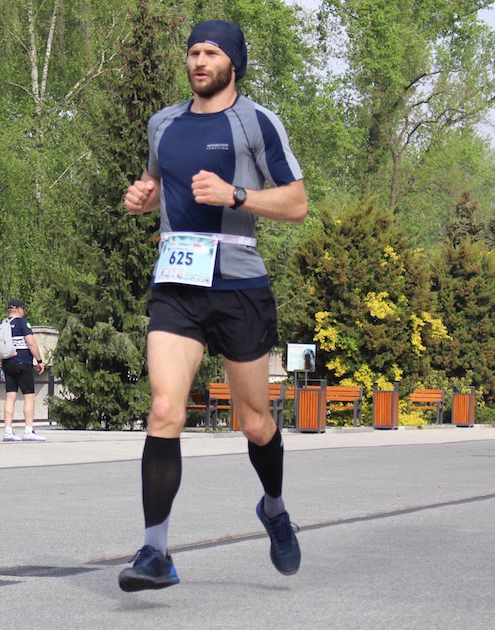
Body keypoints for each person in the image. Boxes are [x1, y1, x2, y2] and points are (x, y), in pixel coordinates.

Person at [118, 19, 308, 592]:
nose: (199, 61)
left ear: (233, 63)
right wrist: (141, 197)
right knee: (164, 411)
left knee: (254, 422)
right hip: (177, 283)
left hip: (239, 284)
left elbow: (297, 203)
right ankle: (155, 552)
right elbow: (156, 183)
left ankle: (274, 508)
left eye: (211, 53)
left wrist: (237, 195)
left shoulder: (256, 121)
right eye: (194, 52)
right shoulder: (163, 123)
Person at [1, 299, 46, 442]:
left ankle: (8, 431)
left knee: (10, 396)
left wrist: (3, 363)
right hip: (23, 363)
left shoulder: (3, 324)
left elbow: (0, 346)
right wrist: (39, 360)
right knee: (29, 396)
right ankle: (28, 430)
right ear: (20, 309)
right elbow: (31, 343)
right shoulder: (22, 323)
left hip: (7, 363)